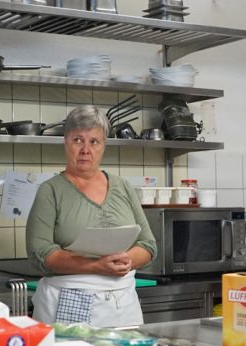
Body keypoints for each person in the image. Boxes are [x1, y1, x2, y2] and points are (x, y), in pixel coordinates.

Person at [26, 105, 156, 326]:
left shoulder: (123, 187)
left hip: (122, 303)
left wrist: (127, 260)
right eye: (78, 140)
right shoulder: (50, 191)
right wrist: (95, 266)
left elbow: (148, 244)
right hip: (69, 301)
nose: (86, 149)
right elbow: (40, 253)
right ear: (65, 142)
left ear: (104, 145)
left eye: (94, 141)